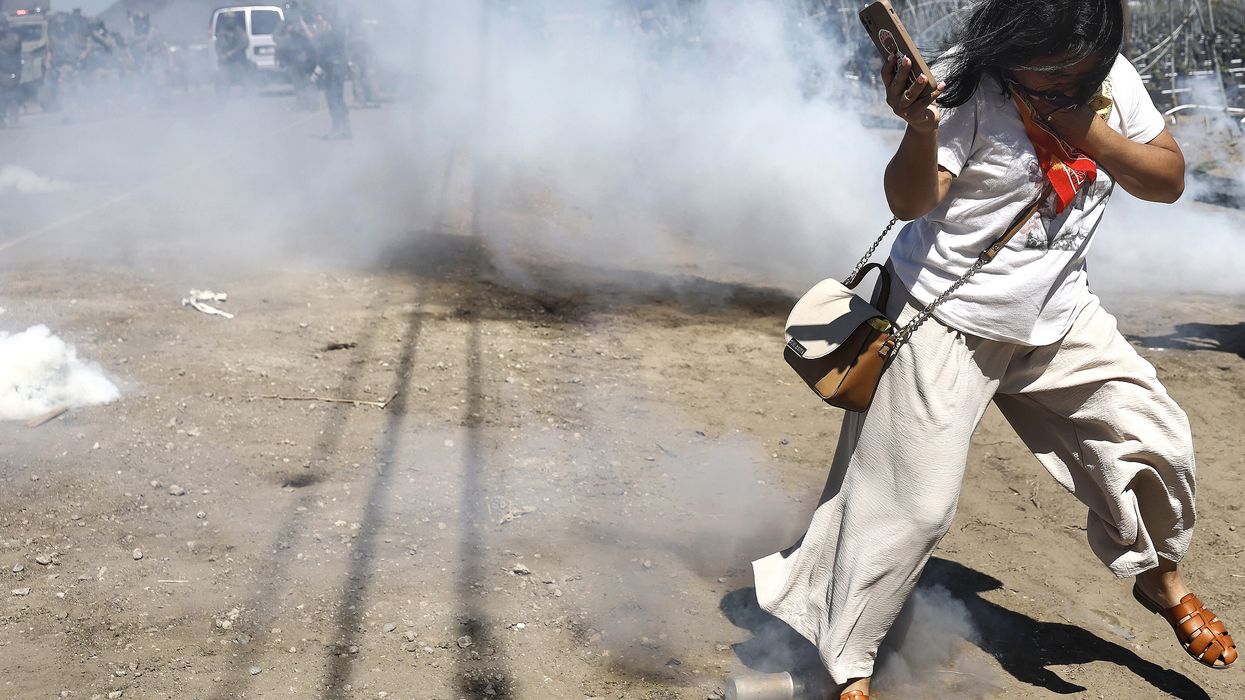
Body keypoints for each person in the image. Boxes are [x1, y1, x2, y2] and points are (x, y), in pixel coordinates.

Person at [750, 2, 1236, 698]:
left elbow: (1166, 180)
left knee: (1154, 439)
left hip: (1059, 317)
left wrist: (1084, 125)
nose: (1065, 83)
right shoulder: (962, 87)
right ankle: (846, 665)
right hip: (943, 320)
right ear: (1012, 48)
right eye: (1049, 77)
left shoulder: (1106, 81)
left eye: (1078, 72)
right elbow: (908, 202)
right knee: (907, 508)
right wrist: (920, 127)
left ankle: (1160, 584)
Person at [312, 10, 351, 139]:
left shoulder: (333, 33)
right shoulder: (332, 32)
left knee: (334, 100)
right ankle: (344, 129)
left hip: (334, 69)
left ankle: (338, 129)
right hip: (332, 69)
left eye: (320, 19)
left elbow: (322, 48)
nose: (318, 21)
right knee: (335, 99)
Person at [0, 17, 21, 128]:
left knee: (11, 97)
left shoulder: (13, 37)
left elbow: (12, 47)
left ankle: (13, 120)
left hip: (11, 72)